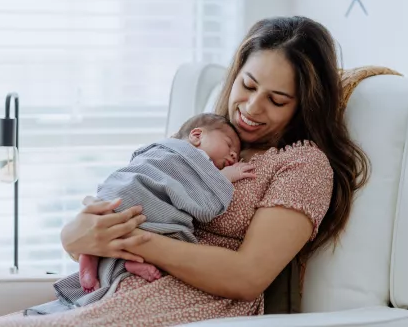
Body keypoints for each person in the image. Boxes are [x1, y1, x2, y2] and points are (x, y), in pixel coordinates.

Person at [0, 16, 369, 327]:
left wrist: (133, 240)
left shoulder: (303, 165)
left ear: (304, 106)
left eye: (277, 100)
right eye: (247, 85)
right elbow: (131, 197)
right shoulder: (206, 138)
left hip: (194, 302)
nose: (252, 108)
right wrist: (74, 235)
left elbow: (247, 276)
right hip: (117, 286)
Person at [25, 113, 256, 315]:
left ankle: (104, 261)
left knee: (117, 223)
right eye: (228, 146)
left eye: (236, 154)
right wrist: (226, 177)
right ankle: (108, 260)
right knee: (155, 231)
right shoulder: (190, 157)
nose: (234, 156)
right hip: (138, 199)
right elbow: (204, 200)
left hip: (125, 198)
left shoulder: (168, 153)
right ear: (197, 136)